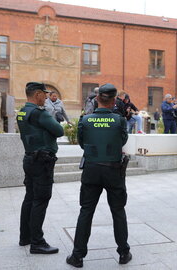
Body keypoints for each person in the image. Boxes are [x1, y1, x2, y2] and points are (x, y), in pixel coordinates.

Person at [66, 83, 132, 268]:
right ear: (113, 101)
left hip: (91, 170)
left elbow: (81, 143)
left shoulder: (85, 120)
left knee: (86, 211)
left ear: (97, 99)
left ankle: (77, 256)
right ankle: (123, 253)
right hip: (113, 171)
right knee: (118, 211)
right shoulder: (119, 120)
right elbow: (123, 140)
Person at [17, 82, 63, 254]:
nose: (45, 97)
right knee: (40, 199)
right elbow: (59, 130)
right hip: (42, 161)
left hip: (29, 158)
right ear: (37, 94)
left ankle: (25, 237)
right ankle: (37, 242)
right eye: (44, 94)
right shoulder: (38, 113)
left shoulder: (22, 112)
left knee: (30, 197)